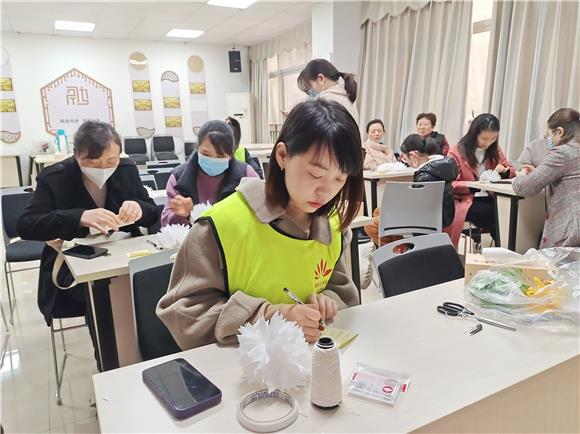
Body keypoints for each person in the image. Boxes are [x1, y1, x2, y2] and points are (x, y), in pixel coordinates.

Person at [156, 99, 363, 349]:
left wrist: (327, 301)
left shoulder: (331, 225)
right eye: (315, 174)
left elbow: (340, 290)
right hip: (239, 371)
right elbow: (184, 313)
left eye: (340, 178)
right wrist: (272, 315)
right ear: (283, 156)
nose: (325, 191)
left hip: (308, 363)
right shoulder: (221, 225)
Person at [17, 121, 158, 368]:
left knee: (147, 300)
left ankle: (141, 363)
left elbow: (152, 214)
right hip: (76, 269)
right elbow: (27, 225)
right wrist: (79, 217)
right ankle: (110, 367)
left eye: (111, 161)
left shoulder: (125, 169)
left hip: (125, 258)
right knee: (104, 312)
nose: (104, 169)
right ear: (76, 155)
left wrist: (139, 208)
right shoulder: (55, 177)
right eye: (93, 163)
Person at [363, 134, 458, 246]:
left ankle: (402, 251)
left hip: (424, 221)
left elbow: (416, 209)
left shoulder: (426, 176)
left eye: (405, 158)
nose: (405, 161)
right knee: (378, 211)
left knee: (370, 225)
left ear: (412, 155)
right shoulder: (441, 167)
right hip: (442, 215)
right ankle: (403, 245)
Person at [161, 120, 258, 226]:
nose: (212, 159)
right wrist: (181, 215)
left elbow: (262, 211)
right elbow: (165, 220)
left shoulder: (246, 174)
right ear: (197, 148)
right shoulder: (179, 177)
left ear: (230, 154)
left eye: (220, 156)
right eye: (205, 154)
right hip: (194, 240)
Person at [513, 108, 580, 248]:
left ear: (560, 132)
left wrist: (520, 176)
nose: (548, 140)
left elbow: (524, 188)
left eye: (549, 135)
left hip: (570, 229)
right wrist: (539, 172)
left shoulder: (562, 153)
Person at [446, 113, 515, 248]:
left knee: (509, 212)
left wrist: (505, 171)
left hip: (491, 196)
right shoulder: (456, 152)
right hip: (466, 199)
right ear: (474, 134)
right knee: (498, 215)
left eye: (493, 139)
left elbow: (511, 170)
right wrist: (474, 185)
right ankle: (502, 250)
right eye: (484, 138)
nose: (488, 143)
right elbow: (450, 183)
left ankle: (504, 251)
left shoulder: (495, 151)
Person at [297, 59, 359, 123]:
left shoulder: (326, 99)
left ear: (321, 79)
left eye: (310, 87)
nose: (310, 92)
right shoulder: (346, 96)